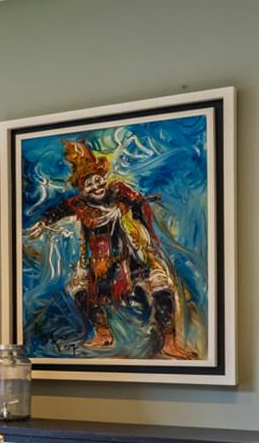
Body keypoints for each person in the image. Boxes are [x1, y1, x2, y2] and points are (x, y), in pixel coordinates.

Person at [26, 139, 197, 359]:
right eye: (88, 184)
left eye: (97, 180)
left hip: (134, 259)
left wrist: (134, 210)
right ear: (82, 189)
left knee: (161, 283)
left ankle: (169, 342)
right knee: (77, 287)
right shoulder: (80, 205)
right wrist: (43, 221)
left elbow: (137, 201)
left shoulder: (118, 192)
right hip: (100, 266)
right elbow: (59, 210)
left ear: (104, 179)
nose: (95, 186)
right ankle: (103, 332)